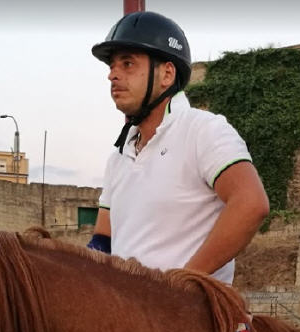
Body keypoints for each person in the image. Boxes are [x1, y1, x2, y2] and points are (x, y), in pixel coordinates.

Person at [87, 11, 269, 285]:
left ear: (167, 74)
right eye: (111, 66)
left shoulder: (204, 129)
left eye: (127, 64)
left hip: (189, 315)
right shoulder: (119, 155)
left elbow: (251, 204)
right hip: (129, 312)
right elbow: (104, 239)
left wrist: (183, 283)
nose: (112, 75)